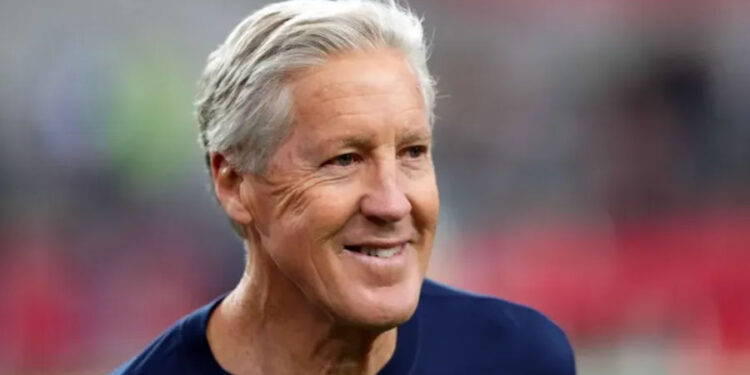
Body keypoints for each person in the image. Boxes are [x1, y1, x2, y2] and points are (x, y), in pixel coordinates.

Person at [112, 0, 575, 374]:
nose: (392, 203)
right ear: (234, 183)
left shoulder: (519, 358)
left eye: (412, 152)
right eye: (345, 160)